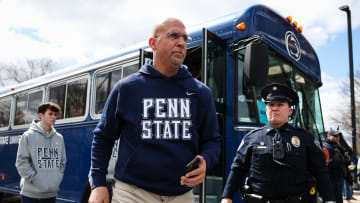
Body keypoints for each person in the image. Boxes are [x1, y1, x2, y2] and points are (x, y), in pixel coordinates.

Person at [89, 18, 221, 203]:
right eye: (173, 35)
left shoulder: (201, 93)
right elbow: (103, 137)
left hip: (182, 195)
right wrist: (98, 183)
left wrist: (205, 159)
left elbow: (212, 140)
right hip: (133, 193)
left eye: (185, 38)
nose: (181, 42)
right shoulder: (127, 88)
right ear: (153, 43)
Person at [221, 83, 335, 203]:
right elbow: (237, 169)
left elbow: (320, 171)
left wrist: (329, 200)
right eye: (271, 105)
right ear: (266, 109)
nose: (275, 108)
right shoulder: (251, 138)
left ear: (290, 110)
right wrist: (227, 196)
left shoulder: (305, 139)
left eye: (280, 105)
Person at [15, 102, 66, 203]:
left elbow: (62, 161)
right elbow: (21, 162)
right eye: (50, 114)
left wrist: (57, 178)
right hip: (30, 194)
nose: (54, 117)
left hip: (51, 194)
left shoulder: (59, 138)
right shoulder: (28, 136)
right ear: (41, 115)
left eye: (55, 115)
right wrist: (35, 179)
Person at [325, 128, 350, 203]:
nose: (337, 137)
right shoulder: (327, 147)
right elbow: (329, 163)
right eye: (335, 135)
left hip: (338, 178)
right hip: (331, 178)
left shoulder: (336, 147)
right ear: (328, 136)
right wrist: (344, 162)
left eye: (338, 136)